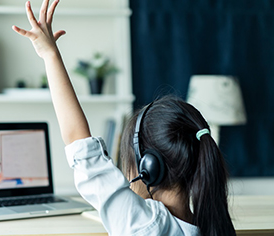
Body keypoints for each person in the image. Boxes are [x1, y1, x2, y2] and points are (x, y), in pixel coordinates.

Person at [12, 1, 236, 235]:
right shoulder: (212, 224)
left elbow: (78, 142)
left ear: (148, 168)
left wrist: (50, 54)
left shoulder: (144, 224)